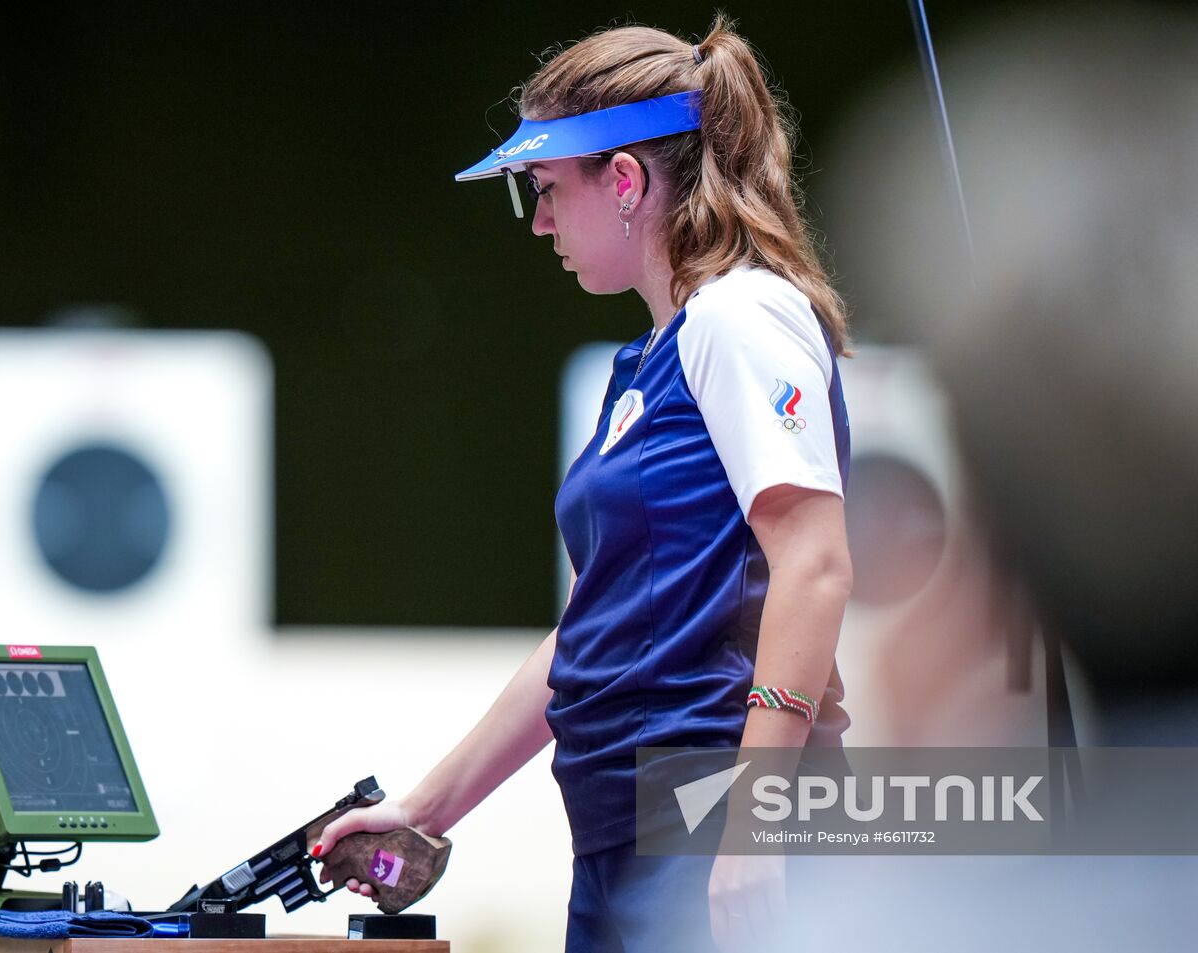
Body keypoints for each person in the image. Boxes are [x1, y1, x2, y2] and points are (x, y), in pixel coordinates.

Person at [314, 17, 854, 952]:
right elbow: (593, 628)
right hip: (629, 829)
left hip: (711, 822)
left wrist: (758, 828)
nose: (540, 220)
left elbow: (812, 563)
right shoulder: (652, 358)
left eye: (547, 189)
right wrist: (425, 809)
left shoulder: (740, 315)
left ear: (628, 181)